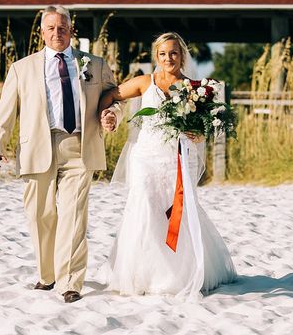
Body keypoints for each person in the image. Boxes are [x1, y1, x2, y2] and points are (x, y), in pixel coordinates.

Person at [0, 5, 121, 303]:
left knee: (73, 216)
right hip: (37, 147)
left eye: (62, 27)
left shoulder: (93, 64)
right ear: (42, 32)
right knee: (39, 215)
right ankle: (48, 275)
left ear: (71, 30)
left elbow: (114, 96)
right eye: (51, 28)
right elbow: (6, 111)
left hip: (78, 146)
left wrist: (112, 115)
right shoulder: (22, 68)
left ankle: (70, 282)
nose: (57, 33)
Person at [97, 32, 236, 300]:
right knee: (145, 207)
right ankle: (142, 272)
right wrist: (107, 115)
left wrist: (200, 133)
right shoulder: (144, 82)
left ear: (182, 55)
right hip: (146, 156)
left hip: (178, 158)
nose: (168, 58)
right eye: (162, 54)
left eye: (173, 53)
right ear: (156, 56)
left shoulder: (195, 88)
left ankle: (175, 274)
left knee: (177, 210)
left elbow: (208, 124)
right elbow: (112, 95)